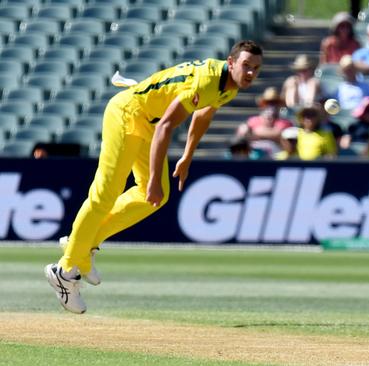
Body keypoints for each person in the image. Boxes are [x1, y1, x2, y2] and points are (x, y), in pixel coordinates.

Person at [44, 40, 264, 314]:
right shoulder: (208, 81)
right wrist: (151, 182)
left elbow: (203, 115)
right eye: (246, 66)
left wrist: (187, 156)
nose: (251, 73)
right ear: (231, 63)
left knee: (155, 198)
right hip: (128, 113)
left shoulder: (229, 86)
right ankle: (64, 271)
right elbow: (166, 128)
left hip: (146, 120)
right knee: (106, 194)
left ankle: (83, 243)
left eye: (256, 68)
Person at [237, 86, 293, 157]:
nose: (271, 106)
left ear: (279, 105)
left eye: (274, 102)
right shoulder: (253, 120)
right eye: (268, 102)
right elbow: (242, 133)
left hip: (277, 156)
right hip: (255, 155)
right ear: (263, 104)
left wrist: (255, 132)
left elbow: (277, 133)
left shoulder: (284, 122)